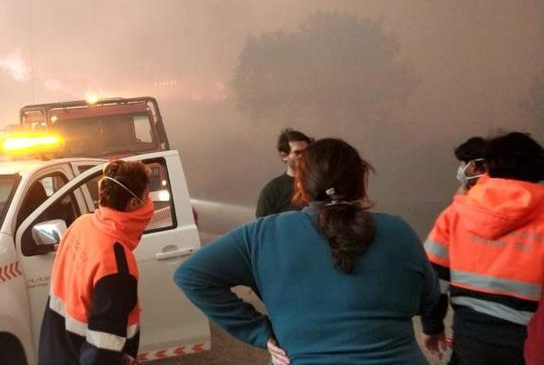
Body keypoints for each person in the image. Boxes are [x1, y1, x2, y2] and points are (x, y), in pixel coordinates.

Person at [174, 138, 439, 364]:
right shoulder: (397, 231)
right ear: (362, 182)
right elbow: (430, 298)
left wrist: (262, 333)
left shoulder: (262, 235)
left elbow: (191, 275)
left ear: (301, 185)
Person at [423, 131, 544, 365]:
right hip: (532, 342)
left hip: (472, 340)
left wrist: (433, 327)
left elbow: (432, 282)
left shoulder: (456, 213)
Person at [38, 160, 153, 365]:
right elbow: (103, 349)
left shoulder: (81, 224)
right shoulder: (117, 263)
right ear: (133, 203)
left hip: (53, 352)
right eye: (147, 195)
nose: (150, 201)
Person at [255, 128, 313, 218]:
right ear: (284, 156)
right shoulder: (273, 189)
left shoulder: (319, 183)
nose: (303, 156)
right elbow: (262, 228)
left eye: (306, 152)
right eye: (298, 152)